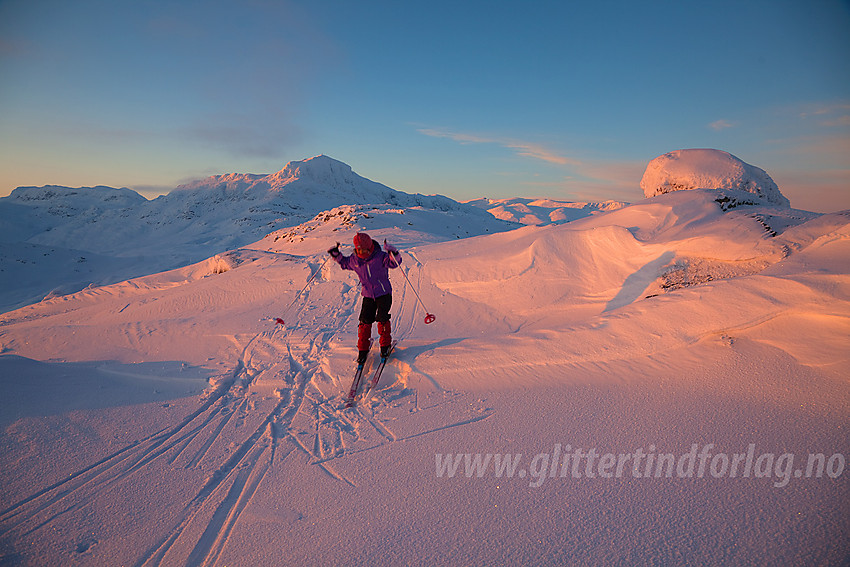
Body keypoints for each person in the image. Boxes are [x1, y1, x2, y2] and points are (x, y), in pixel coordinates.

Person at [328, 233, 401, 362]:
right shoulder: (355, 260)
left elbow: (394, 263)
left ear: (370, 247)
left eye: (363, 249)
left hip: (383, 294)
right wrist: (336, 256)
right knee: (364, 321)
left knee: (382, 318)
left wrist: (394, 253)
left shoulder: (380, 257)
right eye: (358, 249)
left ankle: (385, 346)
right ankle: (362, 349)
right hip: (367, 295)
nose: (361, 252)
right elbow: (345, 263)